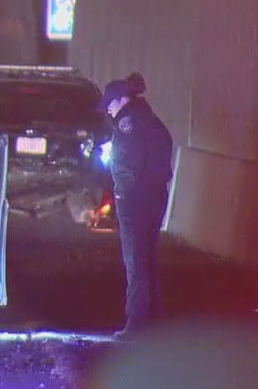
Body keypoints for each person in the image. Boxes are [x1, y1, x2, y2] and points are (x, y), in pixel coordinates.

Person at [99, 72, 174, 340]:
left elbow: (127, 165)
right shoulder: (151, 120)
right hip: (155, 198)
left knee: (135, 261)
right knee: (148, 258)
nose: (107, 109)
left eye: (110, 103)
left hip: (135, 202)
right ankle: (154, 319)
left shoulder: (127, 124)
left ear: (122, 100)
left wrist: (122, 196)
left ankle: (137, 322)